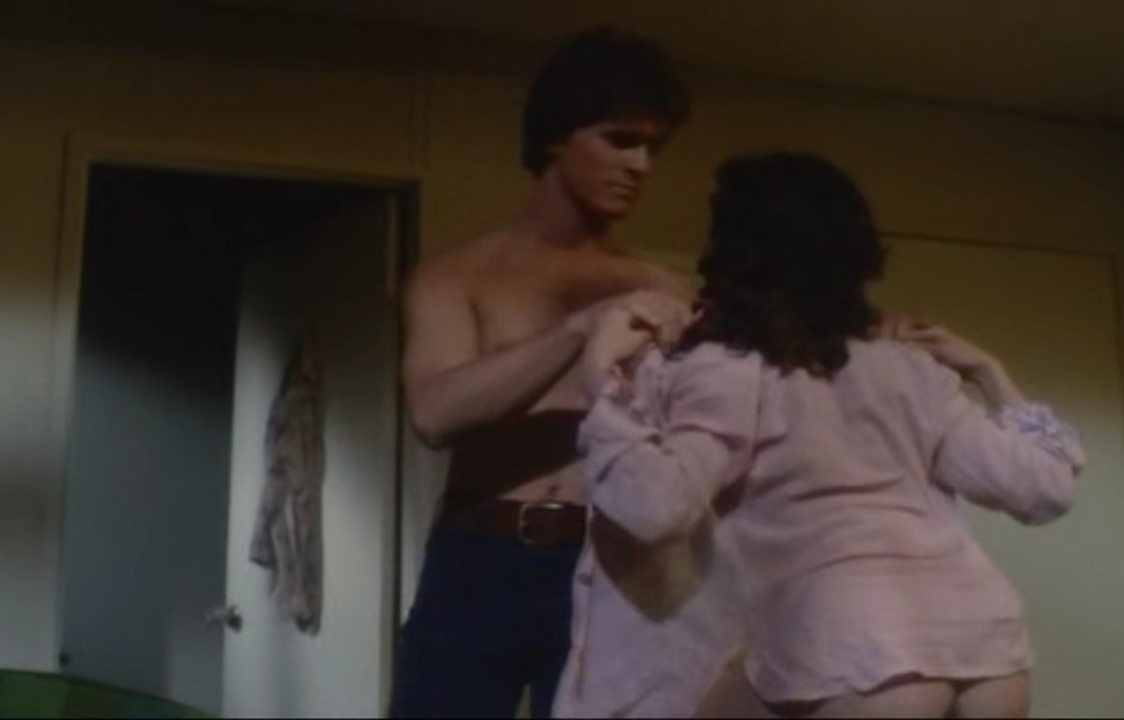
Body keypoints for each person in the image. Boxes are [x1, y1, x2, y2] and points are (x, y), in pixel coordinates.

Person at [557, 150, 1086, 718]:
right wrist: (989, 371)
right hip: (986, 645)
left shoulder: (728, 370)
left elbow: (655, 508)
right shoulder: (909, 371)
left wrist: (600, 379)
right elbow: (1043, 489)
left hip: (852, 648)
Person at [391, 26, 695, 719]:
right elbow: (433, 413)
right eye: (620, 140)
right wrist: (577, 329)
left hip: (612, 562)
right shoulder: (456, 276)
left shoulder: (661, 288)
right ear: (558, 137)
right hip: (482, 557)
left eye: (654, 148)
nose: (641, 165)